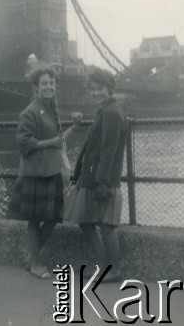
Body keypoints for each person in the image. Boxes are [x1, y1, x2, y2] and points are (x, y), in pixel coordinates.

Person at [64, 68, 128, 282]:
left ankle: (113, 269)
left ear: (110, 88)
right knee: (87, 220)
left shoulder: (110, 113)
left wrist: (101, 182)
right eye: (93, 89)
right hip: (95, 179)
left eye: (100, 89)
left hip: (102, 181)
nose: (96, 93)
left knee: (105, 226)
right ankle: (107, 266)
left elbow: (107, 151)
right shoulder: (108, 111)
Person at [7, 67, 66, 279]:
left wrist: (75, 126)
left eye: (52, 83)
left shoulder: (49, 109)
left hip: (51, 171)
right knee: (35, 220)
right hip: (37, 173)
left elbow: (58, 141)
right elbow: (23, 143)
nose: (49, 87)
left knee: (52, 217)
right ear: (36, 87)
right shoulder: (31, 111)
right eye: (45, 83)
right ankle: (35, 263)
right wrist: (51, 142)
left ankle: (32, 257)